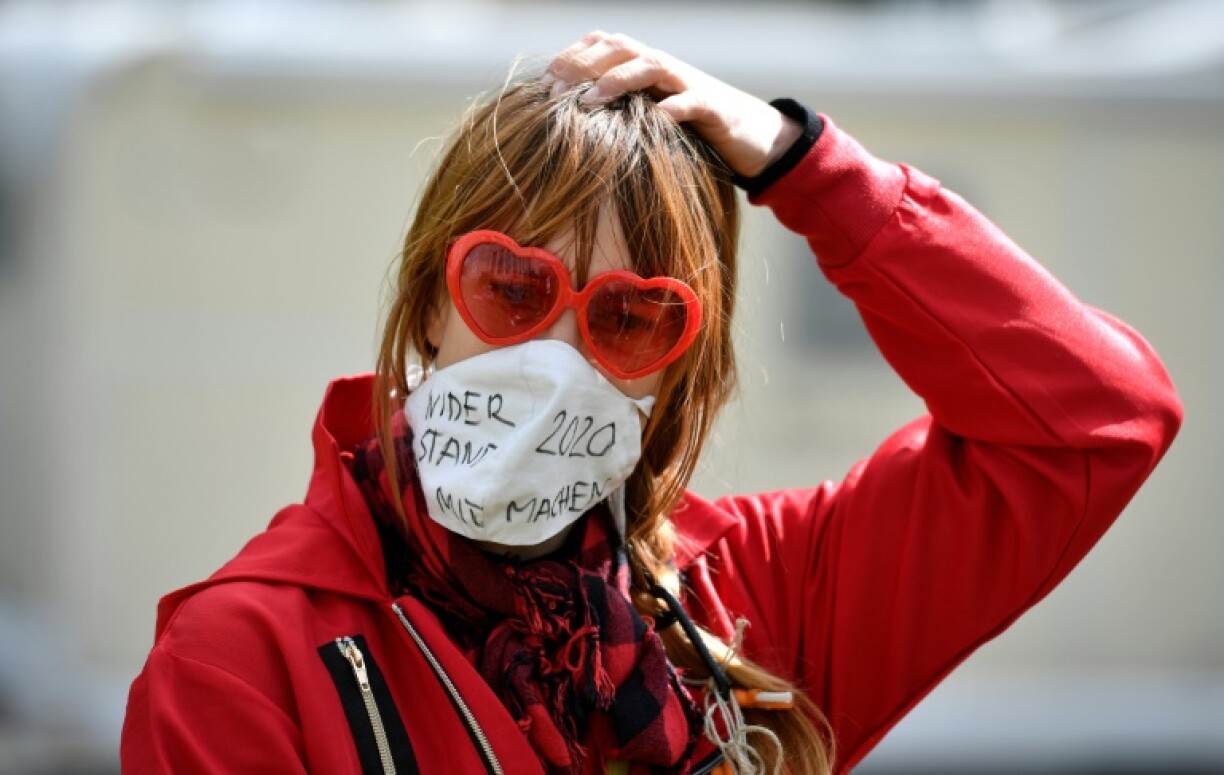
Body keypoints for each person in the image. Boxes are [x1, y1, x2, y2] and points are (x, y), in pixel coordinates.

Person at [120, 31, 1182, 775]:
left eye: (629, 316)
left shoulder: (753, 602)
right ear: (428, 304)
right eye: (512, 288)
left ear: (681, 367)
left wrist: (805, 165)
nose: (555, 356)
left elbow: (1095, 417)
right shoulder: (244, 660)